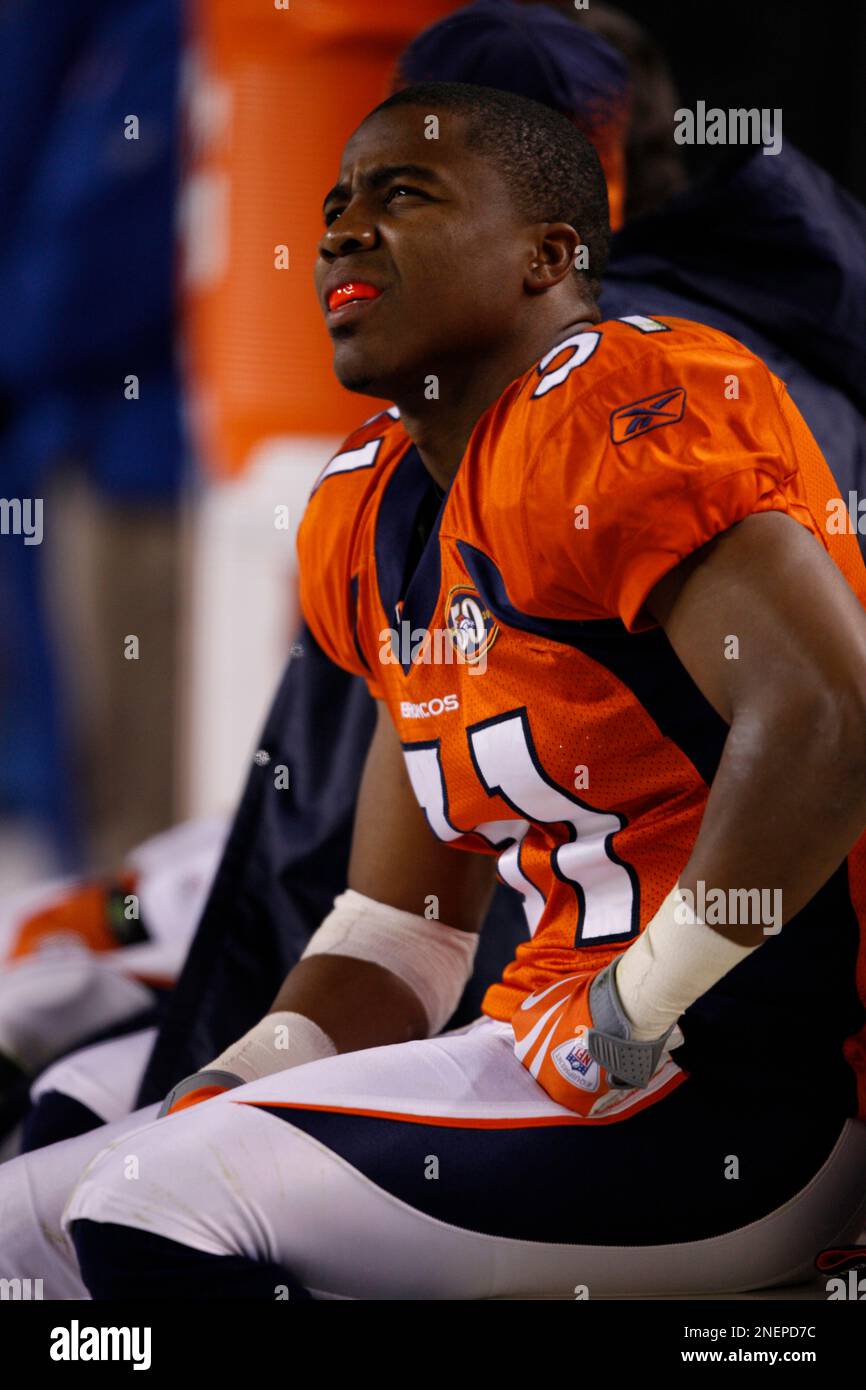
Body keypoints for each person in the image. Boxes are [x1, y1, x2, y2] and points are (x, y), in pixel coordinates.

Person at [4, 80, 866, 1300]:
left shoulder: (611, 398)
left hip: (746, 1076)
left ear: (548, 255)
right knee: (21, 1227)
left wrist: (639, 993)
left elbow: (832, 722)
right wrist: (242, 1071)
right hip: (550, 1048)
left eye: (401, 194)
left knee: (161, 1209)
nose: (344, 230)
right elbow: (397, 928)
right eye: (335, 202)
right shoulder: (370, 505)